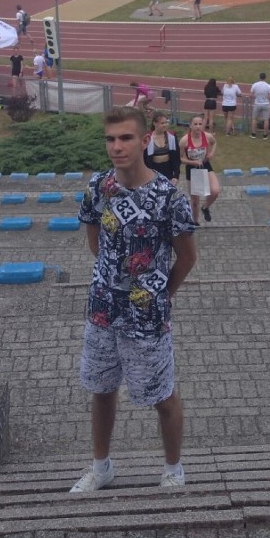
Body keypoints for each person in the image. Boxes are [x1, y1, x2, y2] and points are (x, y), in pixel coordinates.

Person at [71, 107, 196, 493]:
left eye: (125, 138)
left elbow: (187, 257)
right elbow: (96, 240)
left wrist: (159, 295)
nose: (116, 146)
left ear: (145, 141)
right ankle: (101, 467)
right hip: (103, 310)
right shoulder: (98, 187)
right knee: (102, 389)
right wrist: (114, 279)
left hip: (147, 317)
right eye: (110, 139)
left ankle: (173, 469)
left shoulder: (169, 197)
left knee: (162, 394)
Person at [144, 111, 181, 185]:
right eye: (162, 123)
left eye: (166, 122)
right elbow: (144, 158)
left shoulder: (172, 137)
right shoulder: (148, 137)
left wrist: (176, 176)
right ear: (154, 123)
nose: (165, 125)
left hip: (168, 170)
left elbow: (177, 157)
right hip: (153, 170)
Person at [249, 72, 270, 139]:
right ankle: (265, 135)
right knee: (266, 120)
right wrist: (265, 97)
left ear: (259, 77)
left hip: (257, 103)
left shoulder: (255, 85)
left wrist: (256, 96)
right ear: (265, 77)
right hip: (266, 104)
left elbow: (250, 95)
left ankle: (253, 134)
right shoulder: (268, 86)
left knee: (254, 119)